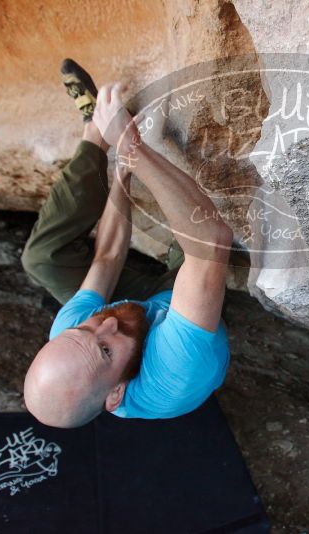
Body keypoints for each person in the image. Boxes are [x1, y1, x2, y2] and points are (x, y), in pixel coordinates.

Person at [21, 59, 233, 428]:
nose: (107, 325)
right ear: (115, 393)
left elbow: (106, 258)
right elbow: (212, 244)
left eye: (84, 328)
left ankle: (93, 132)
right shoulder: (173, 373)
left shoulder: (72, 339)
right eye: (105, 350)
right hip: (178, 311)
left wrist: (121, 167)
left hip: (147, 304)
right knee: (198, 236)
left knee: (43, 260)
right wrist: (132, 146)